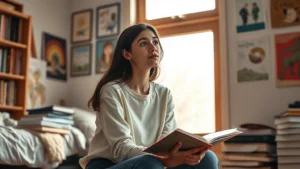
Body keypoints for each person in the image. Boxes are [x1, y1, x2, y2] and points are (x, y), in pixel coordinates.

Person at [79, 23, 219, 169]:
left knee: (207, 158)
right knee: (150, 164)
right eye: (143, 43)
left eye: (155, 42)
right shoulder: (111, 91)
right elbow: (120, 149)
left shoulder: (164, 94)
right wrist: (164, 159)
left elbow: (168, 142)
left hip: (154, 162)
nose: (153, 47)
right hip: (107, 164)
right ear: (127, 54)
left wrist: (183, 155)